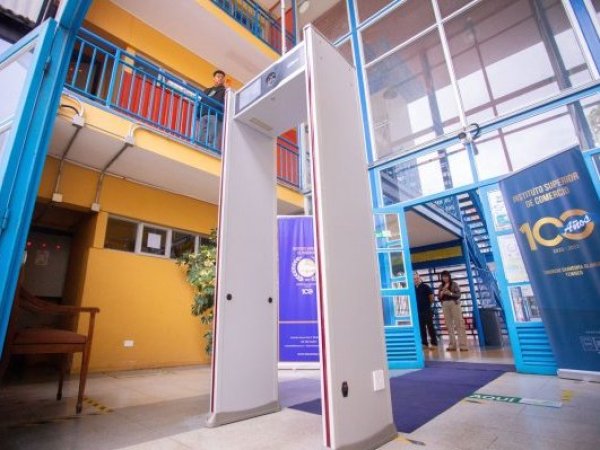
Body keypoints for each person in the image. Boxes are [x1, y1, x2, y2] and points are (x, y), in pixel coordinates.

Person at [438, 270, 468, 352]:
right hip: (445, 304)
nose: (445, 278)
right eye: (443, 277)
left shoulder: (454, 284)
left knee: (459, 324)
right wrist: (441, 294)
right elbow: (439, 298)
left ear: (449, 276)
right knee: (449, 325)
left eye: (446, 276)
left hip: (454, 303)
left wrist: (450, 293)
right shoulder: (441, 286)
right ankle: (452, 345)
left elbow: (458, 295)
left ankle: (463, 345)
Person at [197, 69, 226, 148]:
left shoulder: (224, 91)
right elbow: (201, 101)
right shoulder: (207, 90)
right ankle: (201, 147)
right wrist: (198, 113)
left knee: (212, 136)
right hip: (204, 114)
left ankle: (211, 150)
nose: (220, 78)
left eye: (222, 77)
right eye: (218, 76)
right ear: (214, 78)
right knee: (201, 135)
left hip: (215, 115)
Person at [414, 272, 438, 349]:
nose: (415, 280)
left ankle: (434, 343)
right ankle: (424, 343)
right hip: (418, 311)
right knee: (422, 327)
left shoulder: (425, 286)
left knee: (430, 326)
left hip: (427, 309)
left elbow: (431, 297)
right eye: (414, 279)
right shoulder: (413, 288)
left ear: (419, 278)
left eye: (417, 278)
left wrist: (428, 305)